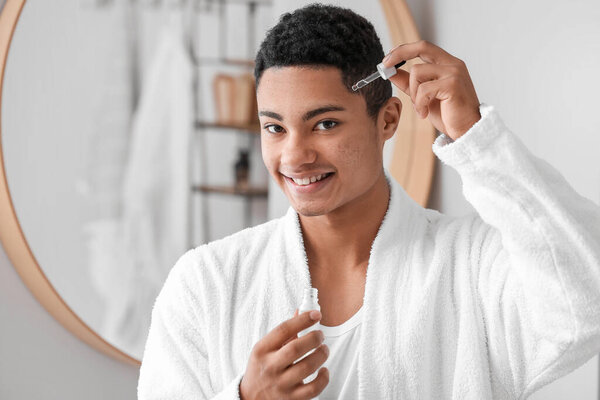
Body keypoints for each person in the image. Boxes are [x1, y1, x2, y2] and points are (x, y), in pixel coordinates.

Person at [137, 4, 600, 400]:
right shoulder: (208, 284)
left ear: (388, 120)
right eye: (275, 128)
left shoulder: (472, 269)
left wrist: (475, 138)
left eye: (325, 124)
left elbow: (584, 304)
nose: (294, 156)